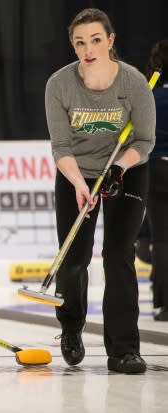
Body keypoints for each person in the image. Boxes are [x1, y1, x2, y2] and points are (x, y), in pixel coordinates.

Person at [45, 8, 155, 374]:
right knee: (75, 257)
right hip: (76, 172)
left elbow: (144, 139)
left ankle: (124, 350)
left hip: (126, 170)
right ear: (72, 45)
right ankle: (71, 326)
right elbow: (61, 147)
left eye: (95, 40)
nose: (88, 49)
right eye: (79, 42)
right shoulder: (59, 85)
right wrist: (79, 183)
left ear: (110, 41)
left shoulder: (134, 83)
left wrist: (120, 168)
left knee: (118, 253)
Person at [145, 40, 168, 321]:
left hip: (155, 171)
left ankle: (165, 304)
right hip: (155, 167)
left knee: (162, 239)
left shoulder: (149, 97)